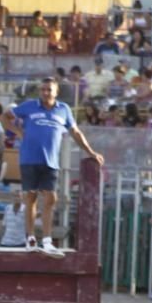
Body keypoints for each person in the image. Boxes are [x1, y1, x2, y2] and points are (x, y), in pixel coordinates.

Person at [7, 78, 104, 255]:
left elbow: (75, 132)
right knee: (30, 198)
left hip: (51, 161)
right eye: (43, 89)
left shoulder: (64, 109)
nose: (45, 93)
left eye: (49, 90)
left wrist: (90, 151)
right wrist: (19, 132)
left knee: (51, 198)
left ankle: (47, 240)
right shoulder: (29, 106)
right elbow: (4, 116)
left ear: (56, 92)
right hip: (29, 159)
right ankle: (30, 238)